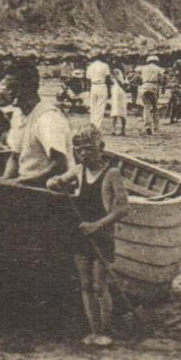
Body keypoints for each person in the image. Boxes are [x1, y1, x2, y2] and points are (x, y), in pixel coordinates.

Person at [46, 126, 129, 347]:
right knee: (85, 284)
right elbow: (55, 182)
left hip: (101, 237)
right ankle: (93, 331)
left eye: (89, 149)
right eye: (79, 150)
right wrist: (54, 183)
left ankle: (105, 330)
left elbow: (122, 209)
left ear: (101, 148)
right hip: (81, 235)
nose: (84, 154)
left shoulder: (112, 174)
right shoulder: (78, 170)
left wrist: (97, 226)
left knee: (99, 285)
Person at [0, 60, 74, 185]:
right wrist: (5, 181)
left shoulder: (48, 119)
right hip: (25, 186)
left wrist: (20, 182)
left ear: (30, 87)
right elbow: (15, 157)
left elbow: (60, 166)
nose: (9, 92)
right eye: (7, 87)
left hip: (49, 189)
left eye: (14, 87)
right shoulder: (19, 115)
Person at [133, 55, 165, 135]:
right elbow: (162, 78)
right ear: (156, 61)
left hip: (144, 87)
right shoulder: (158, 68)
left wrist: (139, 80)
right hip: (154, 87)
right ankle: (156, 127)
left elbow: (136, 73)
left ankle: (147, 126)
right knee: (155, 108)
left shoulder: (142, 68)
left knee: (146, 107)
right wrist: (162, 85)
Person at [85, 55, 112, 130]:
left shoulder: (90, 67)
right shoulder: (105, 66)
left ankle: (92, 124)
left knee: (93, 107)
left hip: (93, 86)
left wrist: (89, 90)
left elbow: (87, 79)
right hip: (102, 86)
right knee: (100, 107)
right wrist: (109, 91)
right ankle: (97, 126)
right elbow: (108, 79)